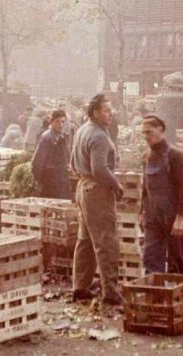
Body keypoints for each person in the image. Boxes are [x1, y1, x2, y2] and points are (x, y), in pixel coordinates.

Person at [71, 94, 124, 306]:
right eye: (106, 111)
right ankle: (110, 291)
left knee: (84, 240)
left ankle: (80, 287)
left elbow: (73, 162)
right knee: (106, 242)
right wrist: (116, 184)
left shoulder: (83, 130)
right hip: (98, 190)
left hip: (83, 187)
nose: (110, 114)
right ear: (95, 112)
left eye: (111, 110)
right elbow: (100, 168)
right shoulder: (100, 136)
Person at [139, 114, 183, 275]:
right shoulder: (147, 156)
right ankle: (155, 296)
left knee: (181, 257)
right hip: (152, 215)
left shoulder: (175, 156)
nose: (146, 136)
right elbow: (145, 187)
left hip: (173, 215)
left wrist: (180, 218)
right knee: (151, 258)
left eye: (149, 132)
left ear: (161, 130)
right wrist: (142, 212)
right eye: (143, 133)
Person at [31, 110, 72, 200]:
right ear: (51, 122)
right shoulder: (47, 137)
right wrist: (38, 180)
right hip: (50, 180)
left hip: (61, 178)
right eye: (57, 122)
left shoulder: (62, 136)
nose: (60, 125)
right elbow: (37, 161)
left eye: (63, 122)